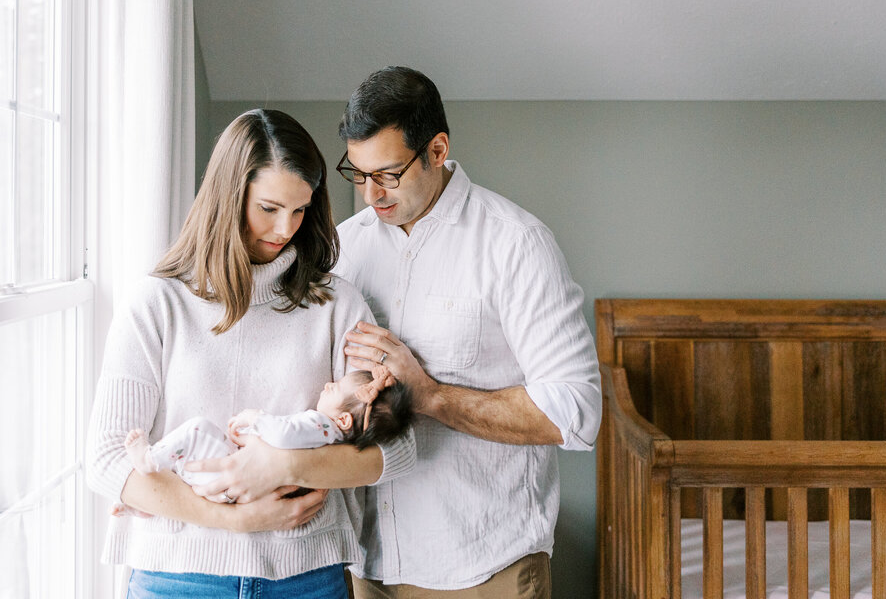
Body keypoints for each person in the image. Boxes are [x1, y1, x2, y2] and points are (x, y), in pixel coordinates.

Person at [85, 109, 415, 599]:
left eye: (301, 209)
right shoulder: (155, 304)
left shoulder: (336, 304)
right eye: (269, 207)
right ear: (227, 196)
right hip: (177, 579)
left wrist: (284, 467)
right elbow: (108, 460)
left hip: (307, 579)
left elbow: (395, 449)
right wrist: (237, 518)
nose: (286, 228)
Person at [332, 66, 603, 598]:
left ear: (436, 150)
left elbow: (576, 411)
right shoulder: (344, 249)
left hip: (486, 569)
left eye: (387, 174)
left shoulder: (516, 245)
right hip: (366, 566)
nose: (370, 195)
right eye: (358, 174)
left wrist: (429, 396)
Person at [113, 367, 413, 518]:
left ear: (344, 421)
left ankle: (150, 460)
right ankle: (148, 508)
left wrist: (255, 418)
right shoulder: (332, 444)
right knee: (191, 463)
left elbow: (282, 434)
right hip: (246, 490)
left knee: (197, 432)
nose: (327, 384)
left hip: (237, 475)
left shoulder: (320, 425)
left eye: (334, 388)